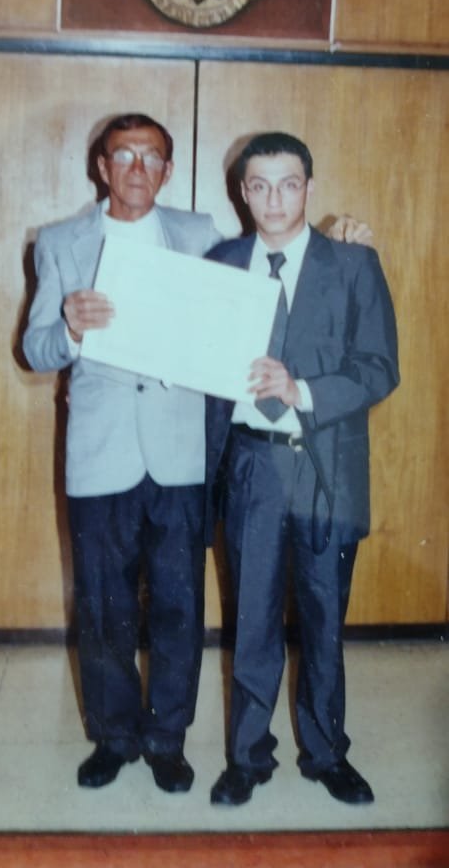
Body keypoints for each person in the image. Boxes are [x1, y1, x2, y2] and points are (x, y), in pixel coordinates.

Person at [23, 111, 371, 796]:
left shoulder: (199, 235)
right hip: (100, 452)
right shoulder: (60, 242)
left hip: (182, 453)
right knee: (103, 605)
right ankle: (113, 738)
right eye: (124, 155)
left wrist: (338, 241)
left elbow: (270, 267)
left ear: (167, 170)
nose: (137, 168)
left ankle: (166, 741)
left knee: (179, 607)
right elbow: (34, 349)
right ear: (102, 167)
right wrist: (68, 328)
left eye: (151, 157)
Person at [205, 131, 399, 808]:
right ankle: (246, 757)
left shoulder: (352, 264)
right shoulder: (222, 263)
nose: (274, 200)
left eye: (288, 185)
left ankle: (325, 754)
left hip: (325, 471)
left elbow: (379, 368)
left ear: (309, 188)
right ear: (242, 192)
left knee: (323, 619)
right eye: (259, 186)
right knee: (252, 619)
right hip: (253, 468)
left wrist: (302, 391)